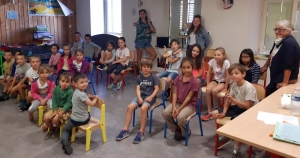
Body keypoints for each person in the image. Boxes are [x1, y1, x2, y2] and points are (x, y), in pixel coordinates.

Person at [211, 63, 258, 158]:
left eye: (236, 73)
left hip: (250, 111)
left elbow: (248, 106)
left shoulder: (248, 87)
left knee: (236, 123)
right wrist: (224, 112)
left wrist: (233, 100)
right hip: (238, 106)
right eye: (232, 74)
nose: (233, 75)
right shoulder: (234, 85)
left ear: (243, 74)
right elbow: (228, 101)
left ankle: (237, 151)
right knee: (215, 113)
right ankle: (226, 136)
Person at [116, 58, 160, 144]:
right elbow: (138, 89)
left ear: (150, 68)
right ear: (141, 67)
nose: (146, 68)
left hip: (150, 97)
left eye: (148, 67)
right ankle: (125, 130)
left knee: (143, 108)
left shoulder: (154, 77)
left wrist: (151, 97)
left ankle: (141, 132)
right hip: (141, 96)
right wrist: (139, 98)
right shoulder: (139, 77)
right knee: (129, 107)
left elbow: (157, 89)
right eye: (144, 66)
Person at [162, 57, 199, 141]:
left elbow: (189, 98)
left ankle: (185, 132)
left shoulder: (194, 82)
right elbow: (174, 93)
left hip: (189, 105)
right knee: (165, 113)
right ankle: (177, 128)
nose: (186, 70)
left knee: (180, 117)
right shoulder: (178, 78)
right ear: (181, 68)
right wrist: (174, 107)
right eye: (184, 68)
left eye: (188, 67)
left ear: (192, 68)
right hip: (178, 103)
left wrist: (179, 110)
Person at [60, 72, 98, 155]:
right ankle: (69, 136)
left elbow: (82, 98)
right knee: (88, 113)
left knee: (65, 130)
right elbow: (91, 104)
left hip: (74, 119)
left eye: (86, 81)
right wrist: (95, 98)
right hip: (83, 120)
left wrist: (87, 96)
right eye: (82, 82)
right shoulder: (83, 95)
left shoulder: (75, 92)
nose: (85, 84)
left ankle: (65, 141)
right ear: (75, 84)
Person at [261, 20, 300, 96]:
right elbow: (272, 54)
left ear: (288, 31)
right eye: (276, 29)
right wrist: (265, 66)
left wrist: (285, 82)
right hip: (276, 78)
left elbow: (288, 64)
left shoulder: (289, 43)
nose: (276, 32)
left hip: (284, 80)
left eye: (280, 29)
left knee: (267, 96)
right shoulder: (279, 41)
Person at [202, 47, 230, 121]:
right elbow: (208, 73)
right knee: (208, 90)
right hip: (215, 80)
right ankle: (210, 112)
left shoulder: (226, 62)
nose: (216, 56)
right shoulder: (212, 61)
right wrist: (208, 83)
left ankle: (219, 107)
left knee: (214, 91)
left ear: (223, 55)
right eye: (215, 55)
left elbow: (228, 76)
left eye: (218, 55)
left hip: (223, 82)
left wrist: (226, 87)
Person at [43, 72, 73, 140]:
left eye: (67, 82)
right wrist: (55, 109)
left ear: (71, 83)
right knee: (46, 118)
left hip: (66, 110)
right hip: (56, 108)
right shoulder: (56, 89)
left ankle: (58, 129)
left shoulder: (70, 91)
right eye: (62, 81)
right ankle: (51, 129)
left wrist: (62, 111)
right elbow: (54, 100)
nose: (64, 83)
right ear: (59, 81)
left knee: (55, 119)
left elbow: (69, 103)